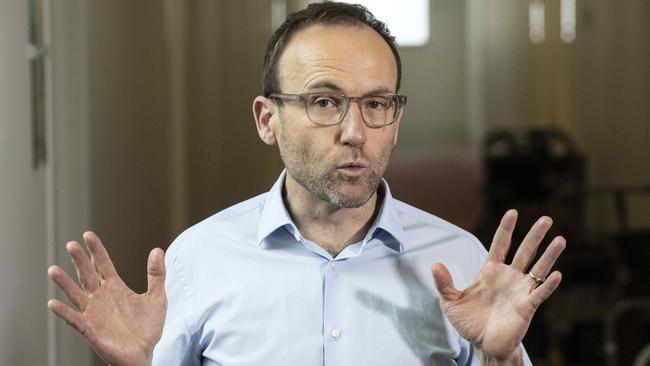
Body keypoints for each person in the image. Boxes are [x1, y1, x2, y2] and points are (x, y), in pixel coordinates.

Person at [47, 3, 565, 365]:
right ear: (266, 120)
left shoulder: (459, 260)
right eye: (324, 102)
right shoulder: (198, 260)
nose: (356, 132)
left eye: (377, 103)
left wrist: (501, 361)